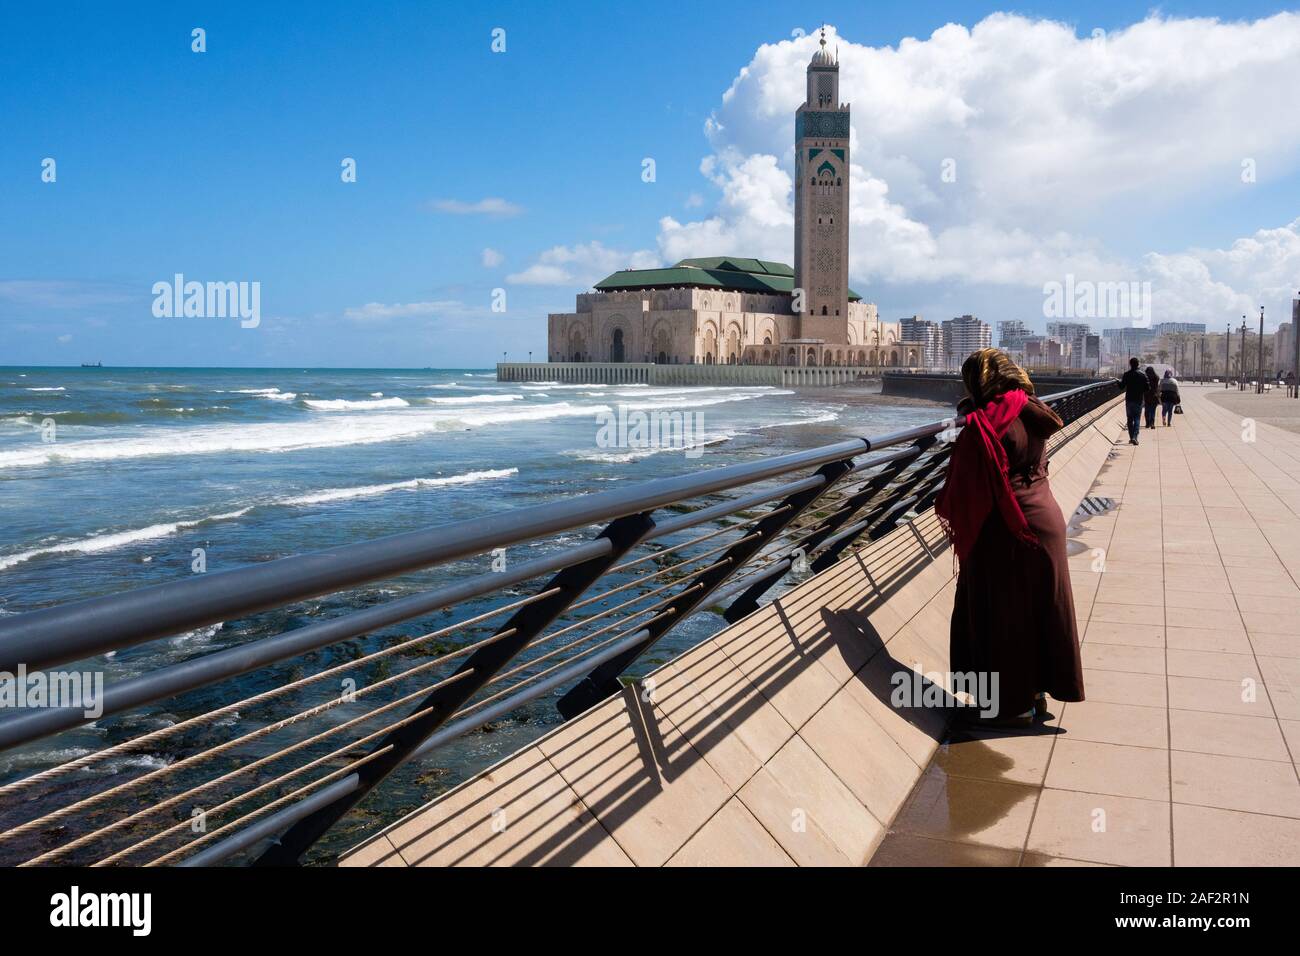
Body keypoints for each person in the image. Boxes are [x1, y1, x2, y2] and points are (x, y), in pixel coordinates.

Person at [936, 349, 1086, 728]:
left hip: (1009, 527)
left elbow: (967, 480)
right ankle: (1034, 695)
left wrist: (966, 417)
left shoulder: (987, 423)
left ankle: (1011, 708)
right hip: (1043, 519)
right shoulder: (1029, 408)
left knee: (1004, 616)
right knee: (1037, 610)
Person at [1118, 357, 1147, 445]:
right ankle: (1135, 437)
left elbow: (1121, 387)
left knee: (1130, 419)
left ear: (1130, 364)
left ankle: (1131, 437)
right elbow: (1147, 388)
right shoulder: (1143, 375)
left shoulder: (1126, 374)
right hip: (1138, 400)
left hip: (1129, 400)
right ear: (1138, 364)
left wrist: (1118, 382)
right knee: (1137, 418)